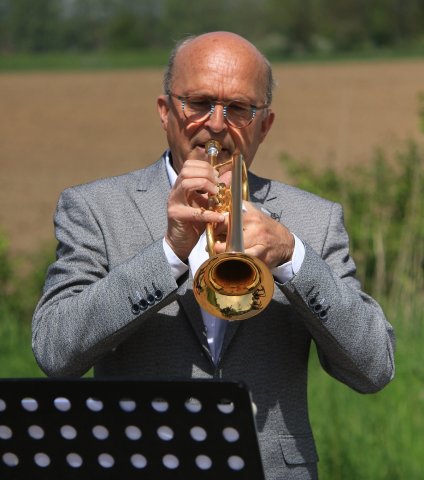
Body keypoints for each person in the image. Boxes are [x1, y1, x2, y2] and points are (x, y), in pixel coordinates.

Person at [32, 31, 395, 479]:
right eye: (199, 102)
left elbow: (374, 368)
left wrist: (293, 256)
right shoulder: (95, 208)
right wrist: (168, 253)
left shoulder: (313, 219)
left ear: (265, 124)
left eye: (239, 108)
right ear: (166, 112)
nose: (218, 125)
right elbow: (54, 351)